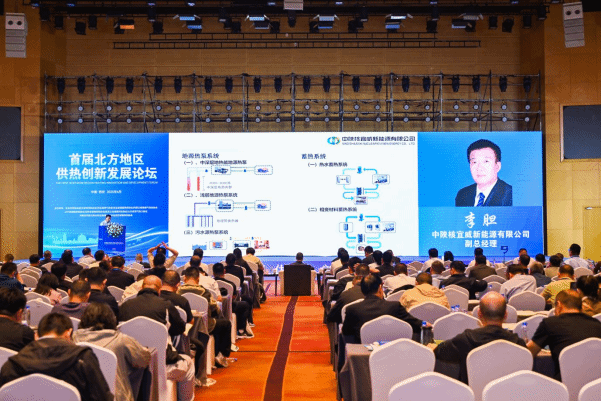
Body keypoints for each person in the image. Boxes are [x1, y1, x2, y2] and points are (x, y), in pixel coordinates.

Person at [0, 313, 113, 401]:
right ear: (68, 333)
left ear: (36, 336)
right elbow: (102, 397)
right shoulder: (83, 359)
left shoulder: (12, 365)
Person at [119, 276, 196, 398]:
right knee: (189, 363)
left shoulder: (125, 306)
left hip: (131, 367)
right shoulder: (166, 305)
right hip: (162, 366)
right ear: (159, 290)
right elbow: (180, 329)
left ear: (141, 287)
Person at [433, 292, 526, 384]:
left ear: (479, 314)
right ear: (506, 315)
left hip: (471, 392)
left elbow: (439, 352)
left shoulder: (464, 339)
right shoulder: (519, 344)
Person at [73, 303, 152, 401]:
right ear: (111, 319)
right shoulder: (121, 340)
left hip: (81, 395)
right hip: (117, 397)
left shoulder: (72, 340)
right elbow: (144, 359)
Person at [527, 290, 602, 379]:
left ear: (559, 305)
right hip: (595, 384)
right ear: (581, 306)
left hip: (563, 383)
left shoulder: (550, 323)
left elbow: (529, 352)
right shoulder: (597, 324)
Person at [342, 274, 422, 344]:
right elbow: (417, 325)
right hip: (392, 351)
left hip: (362, 353)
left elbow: (346, 333)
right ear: (380, 288)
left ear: (362, 290)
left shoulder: (352, 309)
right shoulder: (395, 306)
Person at [178, 268, 233, 367]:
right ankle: (221, 355)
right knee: (226, 324)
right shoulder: (204, 292)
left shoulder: (178, 291)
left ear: (184, 278)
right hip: (205, 326)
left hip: (183, 327)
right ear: (198, 279)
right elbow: (215, 309)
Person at [455, 139, 512, 207]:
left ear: (497, 166)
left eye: (486, 161)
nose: (479, 168)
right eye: (474, 162)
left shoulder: (510, 195)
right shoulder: (462, 194)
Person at [213, 263, 254, 339]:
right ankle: (241, 330)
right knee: (244, 305)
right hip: (229, 307)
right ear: (224, 271)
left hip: (213, 308)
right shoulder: (231, 284)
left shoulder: (211, 284)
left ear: (213, 273)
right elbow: (234, 297)